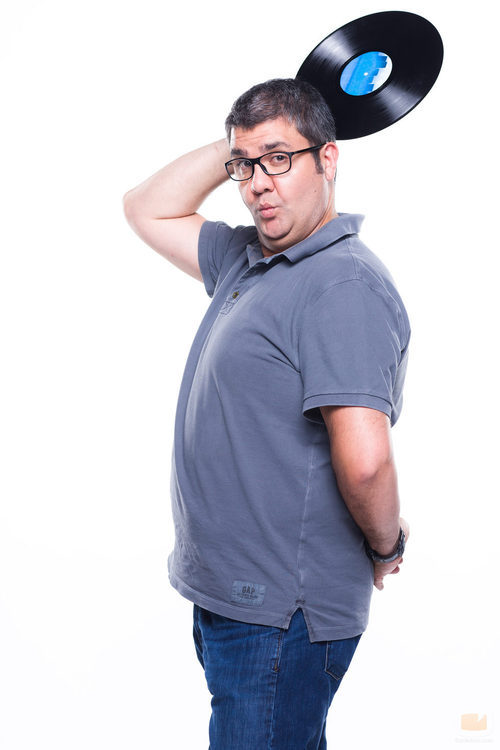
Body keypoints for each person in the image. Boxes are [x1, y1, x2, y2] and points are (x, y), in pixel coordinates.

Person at [123, 78, 411, 749]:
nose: (258, 184)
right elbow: (146, 208)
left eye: (280, 158)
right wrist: (245, 140)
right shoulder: (247, 260)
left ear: (328, 159)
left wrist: (387, 545)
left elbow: (367, 463)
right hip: (233, 601)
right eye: (244, 166)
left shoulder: (341, 285)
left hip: (280, 615)